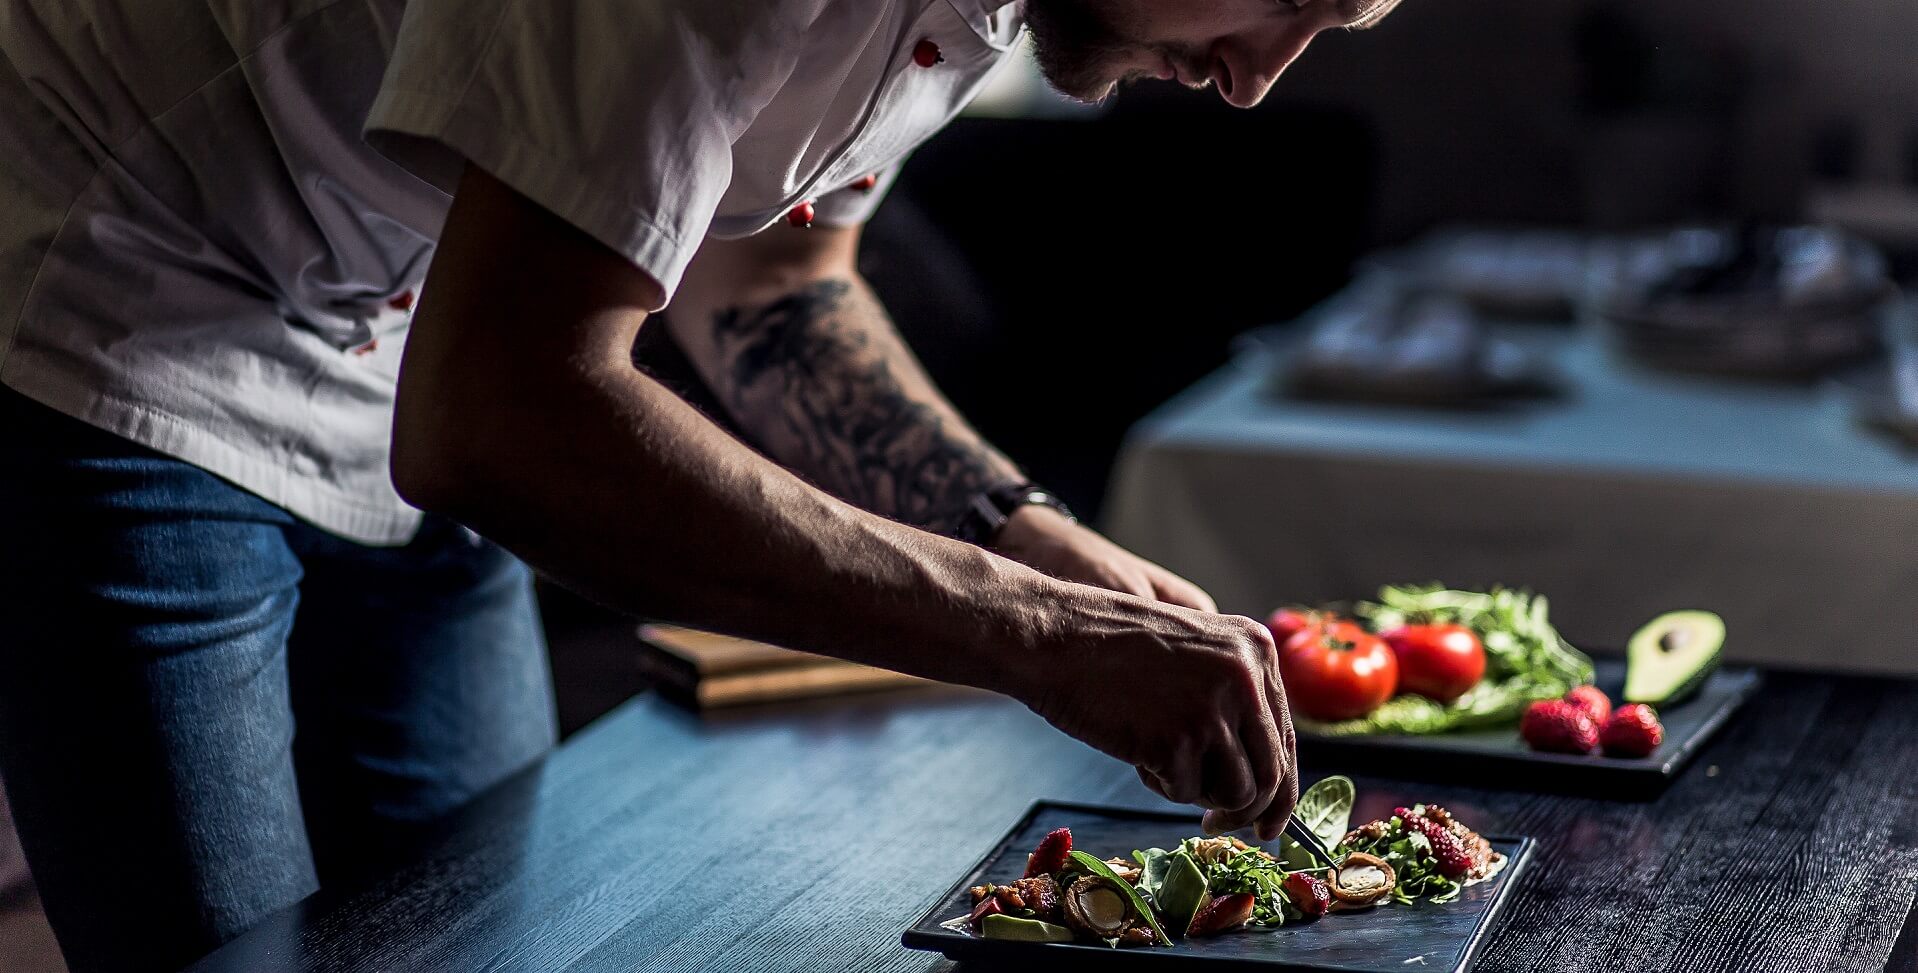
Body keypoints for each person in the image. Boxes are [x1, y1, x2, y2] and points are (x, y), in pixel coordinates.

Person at [0, 0, 1399, 968]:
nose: (1256, 77)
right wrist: (1028, 634)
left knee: (486, 943)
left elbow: (773, 285)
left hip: (421, 331)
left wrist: (1032, 543)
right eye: (1284, 1)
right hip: (127, 285)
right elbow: (498, 416)